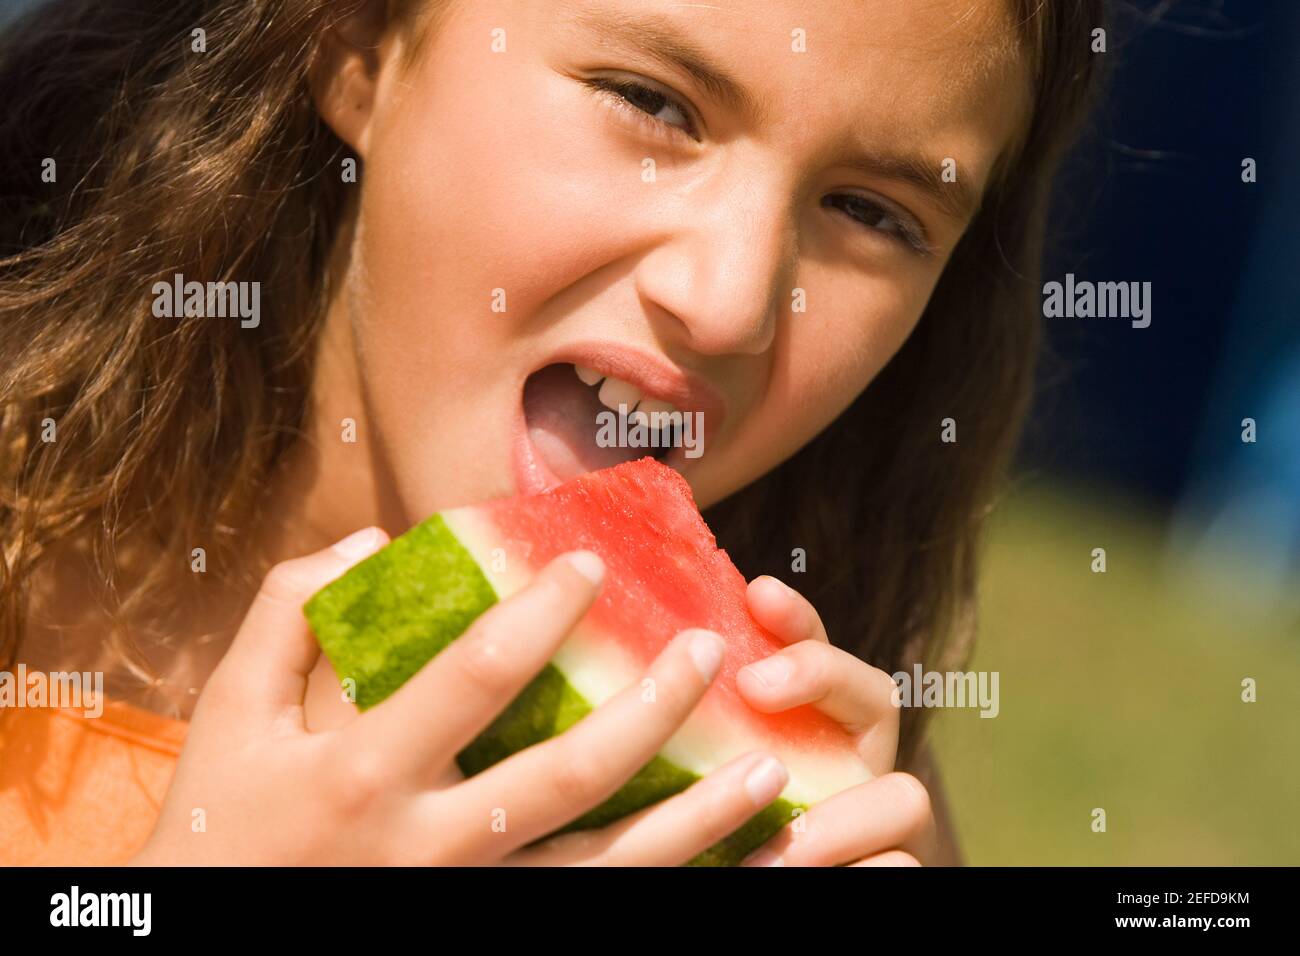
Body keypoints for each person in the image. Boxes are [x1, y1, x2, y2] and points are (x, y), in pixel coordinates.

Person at [0, 0, 1101, 865]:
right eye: (652, 103)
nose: (729, 300)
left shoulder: (818, 777)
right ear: (361, 42)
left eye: (871, 212)